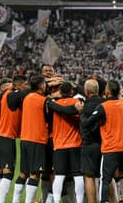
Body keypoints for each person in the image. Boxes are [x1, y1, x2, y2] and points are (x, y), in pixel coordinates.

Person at [17, 75, 79, 203]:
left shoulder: (28, 97)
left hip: (33, 139)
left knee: (44, 172)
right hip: (45, 139)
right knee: (46, 173)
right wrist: (76, 108)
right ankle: (50, 199)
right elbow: (60, 109)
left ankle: (49, 199)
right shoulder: (44, 99)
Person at [77, 80, 123, 203]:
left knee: (105, 179)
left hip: (111, 148)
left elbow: (86, 123)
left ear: (107, 92)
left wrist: (81, 111)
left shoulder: (104, 107)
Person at [0, 75, 29, 203]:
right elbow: (27, 92)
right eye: (25, 84)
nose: (27, 86)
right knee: (8, 173)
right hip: (7, 138)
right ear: (18, 86)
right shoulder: (13, 95)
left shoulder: (5, 94)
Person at [51, 82, 84, 203]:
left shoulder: (54, 105)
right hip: (76, 144)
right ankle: (80, 201)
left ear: (60, 92)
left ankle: (56, 200)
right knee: (78, 175)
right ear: (71, 92)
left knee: (59, 176)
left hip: (59, 145)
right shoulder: (78, 103)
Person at [80, 79, 106, 203]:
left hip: (89, 145)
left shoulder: (83, 105)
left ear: (86, 90)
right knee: (106, 176)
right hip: (105, 144)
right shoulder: (105, 103)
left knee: (89, 177)